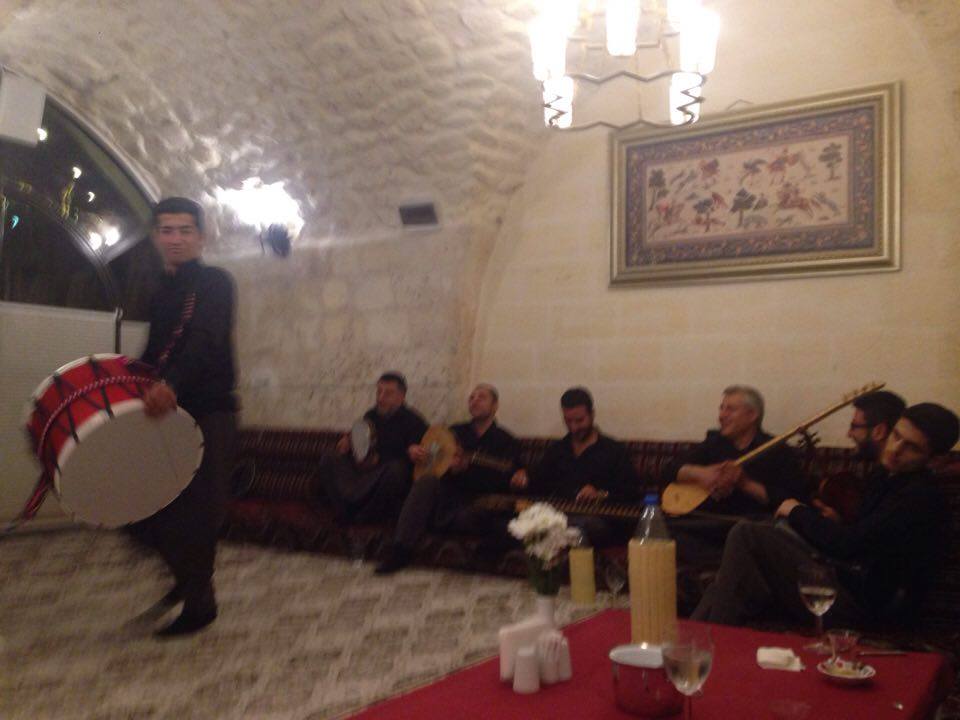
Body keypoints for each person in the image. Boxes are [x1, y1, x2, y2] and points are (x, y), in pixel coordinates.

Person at [693, 403, 959, 630]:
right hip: (849, 581)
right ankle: (696, 638)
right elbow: (866, 535)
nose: (895, 449)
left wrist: (796, 510)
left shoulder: (920, 496)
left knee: (748, 534)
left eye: (911, 447)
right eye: (896, 436)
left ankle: (713, 639)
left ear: (934, 459)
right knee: (749, 552)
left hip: (868, 608)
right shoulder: (886, 476)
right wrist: (832, 521)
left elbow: (848, 545)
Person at [129, 197, 238, 637]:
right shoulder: (160, 291)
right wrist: (124, 384)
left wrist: (171, 384)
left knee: (195, 514)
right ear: (156, 237)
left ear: (201, 237)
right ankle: (187, 578)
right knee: (142, 511)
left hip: (209, 412)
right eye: (167, 230)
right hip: (168, 413)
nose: (175, 239)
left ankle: (200, 604)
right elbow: (156, 351)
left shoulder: (215, 283)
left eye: (184, 230)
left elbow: (204, 339)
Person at [375, 383, 521, 574]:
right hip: (447, 500)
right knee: (427, 481)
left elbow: (508, 479)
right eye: (472, 397)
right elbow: (431, 459)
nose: (475, 400)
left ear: (495, 406)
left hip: (476, 504)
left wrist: (467, 471)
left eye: (481, 397)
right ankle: (400, 551)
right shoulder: (453, 432)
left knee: (488, 516)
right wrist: (420, 454)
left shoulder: (507, 441)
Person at [661, 385, 807, 570]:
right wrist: (701, 474)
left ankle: (727, 565)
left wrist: (744, 483)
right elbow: (668, 469)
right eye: (721, 408)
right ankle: (728, 564)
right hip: (709, 522)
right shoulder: (715, 443)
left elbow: (793, 502)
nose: (721, 416)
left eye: (730, 409)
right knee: (661, 530)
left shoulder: (777, 450)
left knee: (748, 536)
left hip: (749, 525)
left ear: (752, 415)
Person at [511, 387, 639, 548]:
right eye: (568, 421)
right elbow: (539, 482)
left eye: (579, 421)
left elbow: (631, 491)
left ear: (592, 414)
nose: (573, 427)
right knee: (517, 523)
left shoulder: (614, 450)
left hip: (599, 519)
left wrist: (600, 494)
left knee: (582, 527)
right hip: (559, 515)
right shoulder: (558, 450)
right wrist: (523, 479)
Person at [318, 372, 427, 524]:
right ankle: (348, 509)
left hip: (383, 478)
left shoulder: (414, 421)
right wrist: (348, 442)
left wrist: (408, 453)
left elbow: (416, 459)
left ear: (401, 397)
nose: (380, 398)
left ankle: (362, 514)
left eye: (388, 394)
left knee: (396, 471)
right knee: (329, 457)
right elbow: (360, 440)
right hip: (362, 474)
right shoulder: (371, 415)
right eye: (379, 392)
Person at [813, 390, 905, 523]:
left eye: (854, 426)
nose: (849, 434)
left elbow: (866, 534)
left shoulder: (896, 486)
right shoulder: (880, 472)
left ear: (879, 431)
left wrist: (796, 511)